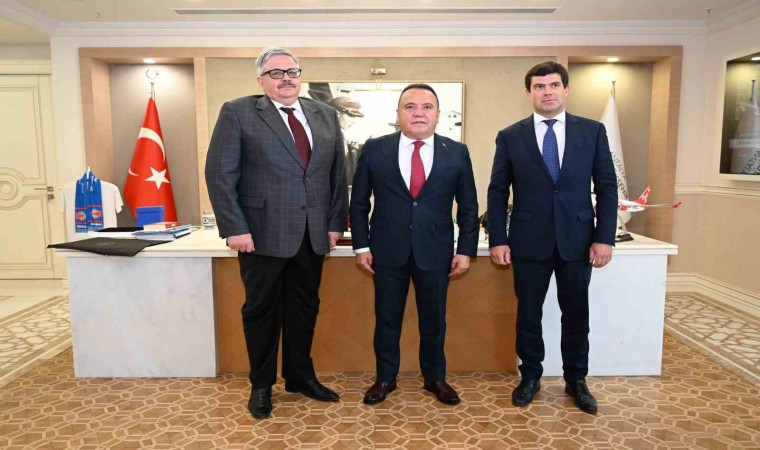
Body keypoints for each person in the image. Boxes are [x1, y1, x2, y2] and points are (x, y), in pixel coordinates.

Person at [205, 48, 348, 420]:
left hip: (312, 234)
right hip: (260, 234)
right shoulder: (238, 112)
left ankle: (300, 376)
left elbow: (337, 175)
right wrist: (235, 227)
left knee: (305, 308)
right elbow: (220, 174)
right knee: (262, 311)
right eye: (276, 72)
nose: (286, 78)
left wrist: (335, 223)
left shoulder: (325, 114)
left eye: (292, 71)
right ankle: (261, 384)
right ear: (261, 80)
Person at [486, 61, 618, 414]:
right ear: (529, 92)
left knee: (576, 315)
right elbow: (497, 191)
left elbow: (607, 187)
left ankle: (576, 380)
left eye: (554, 85)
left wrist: (604, 237)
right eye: (539, 86)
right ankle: (530, 376)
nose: (547, 92)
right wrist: (498, 238)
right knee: (528, 314)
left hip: (578, 240)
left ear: (566, 89)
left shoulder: (592, 132)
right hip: (528, 241)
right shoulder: (510, 136)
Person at [350, 83, 479, 405]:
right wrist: (361, 246)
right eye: (410, 106)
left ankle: (435, 378)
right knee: (387, 320)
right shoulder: (375, 149)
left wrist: (465, 250)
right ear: (398, 113)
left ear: (437, 114)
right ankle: (385, 378)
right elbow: (359, 202)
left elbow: (468, 206)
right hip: (386, 250)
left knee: (434, 321)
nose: (418, 113)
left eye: (426, 107)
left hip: (435, 251)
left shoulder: (456, 152)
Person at [327, 96, 364, 184]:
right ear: (336, 114)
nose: (354, 121)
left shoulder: (340, 136)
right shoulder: (325, 137)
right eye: (351, 116)